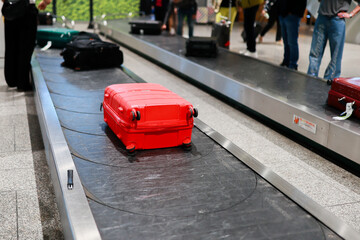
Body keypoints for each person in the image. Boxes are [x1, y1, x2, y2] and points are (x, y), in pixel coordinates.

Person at [2, 0, 51, 91]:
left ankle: (11, 79)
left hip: (10, 10)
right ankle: (22, 83)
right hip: (27, 10)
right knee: (26, 47)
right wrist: (45, 1)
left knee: (11, 47)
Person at [307, 0, 360, 81]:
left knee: (336, 55)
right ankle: (311, 77)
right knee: (315, 53)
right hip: (322, 17)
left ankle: (330, 81)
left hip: (337, 20)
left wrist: (351, 14)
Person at [277, 0, 306, 70]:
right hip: (283, 14)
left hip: (292, 15)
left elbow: (302, 3)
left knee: (292, 41)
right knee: (286, 40)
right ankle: (286, 60)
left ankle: (293, 64)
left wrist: (293, 12)